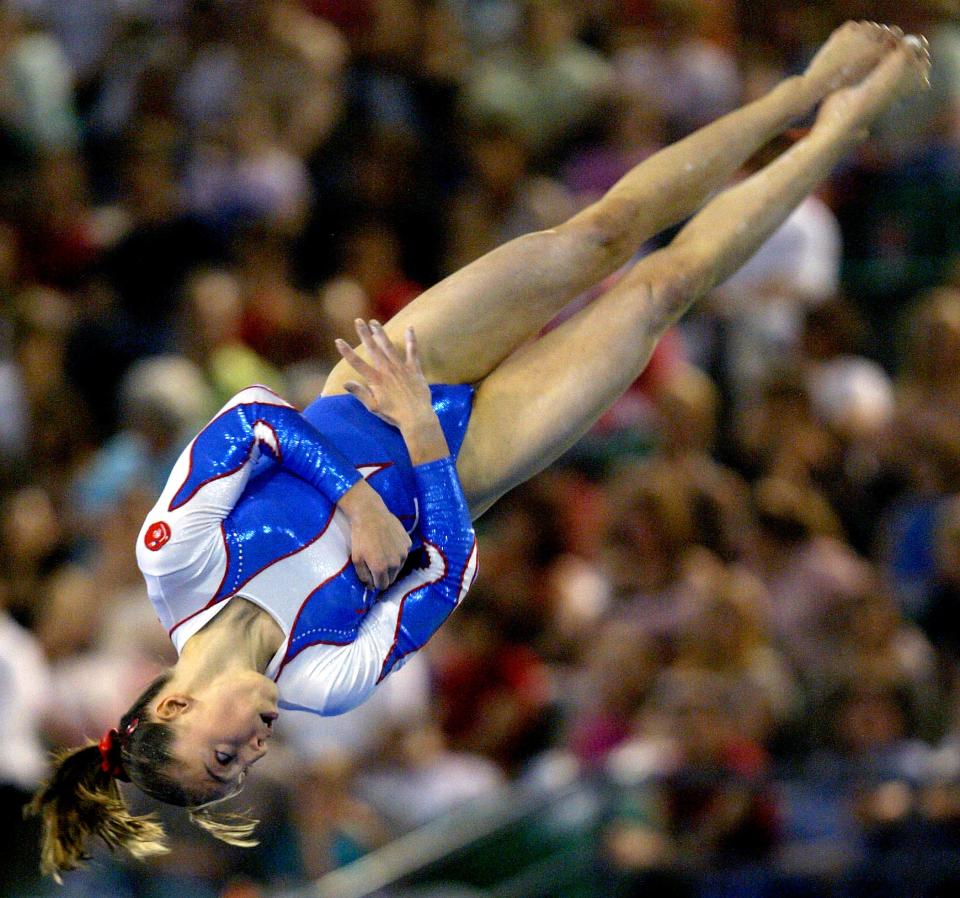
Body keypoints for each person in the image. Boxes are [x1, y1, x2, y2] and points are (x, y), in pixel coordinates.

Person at [29, 22, 930, 880]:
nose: (254, 752)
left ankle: (804, 89)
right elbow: (450, 572)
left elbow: (254, 415)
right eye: (242, 772)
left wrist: (357, 500)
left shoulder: (174, 563)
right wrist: (423, 440)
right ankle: (844, 126)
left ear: (174, 706)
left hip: (393, 373)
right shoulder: (325, 679)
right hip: (470, 458)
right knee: (660, 289)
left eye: (225, 754)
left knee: (600, 235)